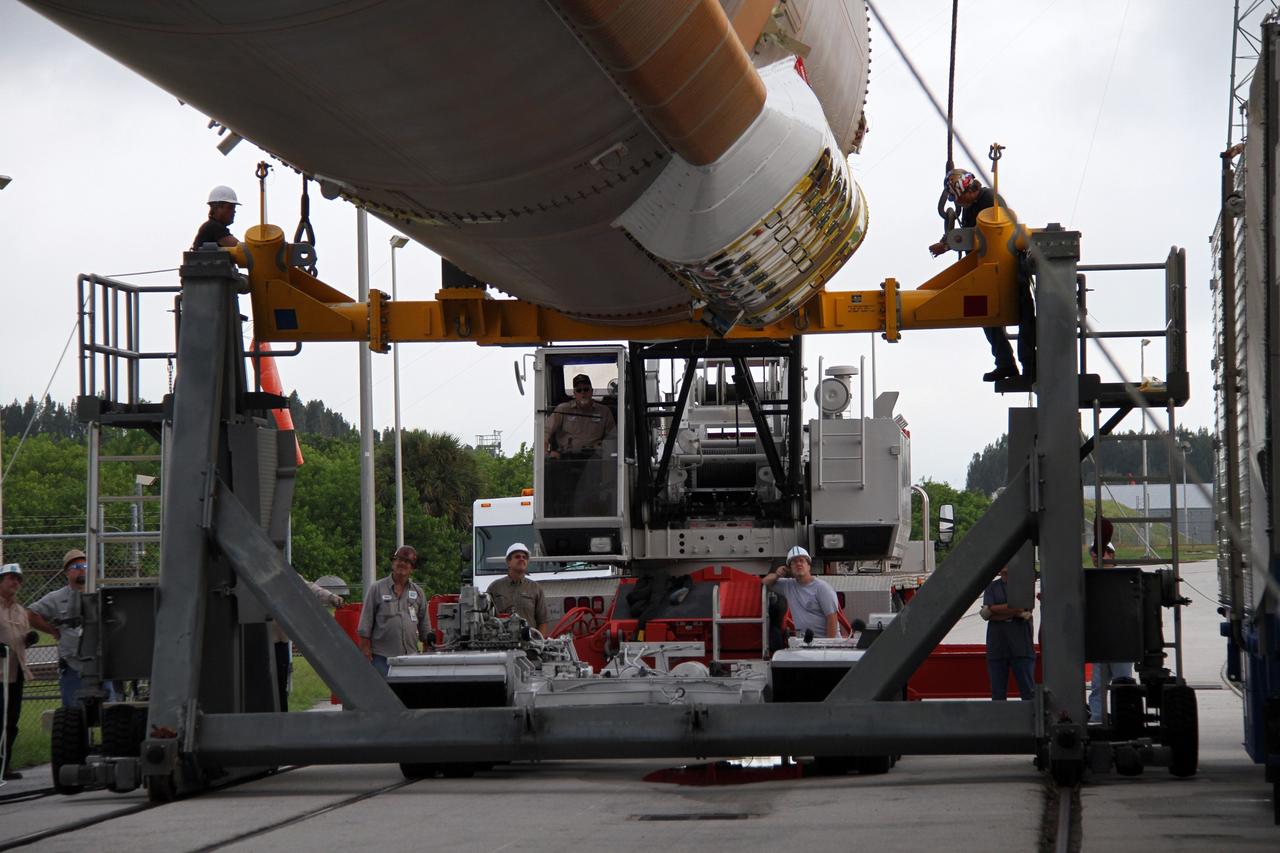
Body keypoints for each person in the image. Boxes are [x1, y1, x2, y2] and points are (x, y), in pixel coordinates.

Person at [928, 169, 1034, 382]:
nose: (958, 202)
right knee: (986, 317)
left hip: (1008, 270)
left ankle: (1031, 367)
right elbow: (967, 234)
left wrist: (949, 244)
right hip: (985, 272)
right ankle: (1005, 364)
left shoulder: (991, 202)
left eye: (959, 197)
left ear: (968, 189)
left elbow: (986, 235)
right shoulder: (970, 207)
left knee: (1025, 319)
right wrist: (947, 243)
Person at [27, 548, 109, 707]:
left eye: (85, 567)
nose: (82, 571)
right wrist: (52, 630)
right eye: (77, 568)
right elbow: (31, 614)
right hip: (72, 666)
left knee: (110, 712)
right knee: (73, 715)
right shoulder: (56, 598)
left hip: (102, 665)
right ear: (67, 573)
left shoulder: (102, 594)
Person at [357, 545, 431, 676]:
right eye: (399, 559)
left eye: (407, 562)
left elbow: (424, 624)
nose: (402, 563)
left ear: (412, 568)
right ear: (393, 562)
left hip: (411, 657)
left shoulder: (418, 592)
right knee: (383, 694)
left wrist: (427, 646)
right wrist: (365, 649)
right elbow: (365, 622)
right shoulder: (377, 588)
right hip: (381, 658)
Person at [272, 579, 344, 711]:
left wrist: (330, 597)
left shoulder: (281, 573)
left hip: (279, 642)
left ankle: (281, 718)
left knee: (280, 686)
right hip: (262, 641)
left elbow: (309, 587)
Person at [1087, 542, 1133, 722]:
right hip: (1101, 642)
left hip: (1121, 642)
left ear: (1111, 555)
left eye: (1100, 553)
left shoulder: (1122, 579)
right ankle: (1097, 718)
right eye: (1093, 553)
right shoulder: (1092, 579)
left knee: (1123, 684)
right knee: (1098, 685)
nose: (1096, 556)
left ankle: (1125, 719)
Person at [982, 565, 1036, 701]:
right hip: (997, 648)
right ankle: (999, 721)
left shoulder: (1023, 585)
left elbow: (1025, 607)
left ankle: (1031, 721)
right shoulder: (992, 587)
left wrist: (994, 610)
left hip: (1021, 648)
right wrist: (1016, 612)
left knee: (1028, 692)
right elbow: (986, 614)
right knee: (998, 694)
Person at [763, 546, 841, 640]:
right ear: (790, 568)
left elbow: (832, 618)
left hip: (824, 643)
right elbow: (765, 582)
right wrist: (777, 575)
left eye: (802, 560)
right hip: (805, 643)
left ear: (809, 566)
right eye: (794, 562)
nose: (798, 564)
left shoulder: (822, 588)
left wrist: (829, 646)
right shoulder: (788, 585)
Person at [0, 563, 33, 780]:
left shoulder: (21, 611)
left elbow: (22, 635)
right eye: (11, 578)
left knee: (11, 720)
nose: (16, 583)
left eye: (19, 579)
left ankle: (5, 765)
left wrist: (29, 639)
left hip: (16, 671)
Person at [545, 373, 615, 458]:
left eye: (586, 389)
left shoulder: (604, 411)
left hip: (595, 460)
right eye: (579, 390)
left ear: (591, 391)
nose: (583, 393)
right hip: (566, 459)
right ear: (574, 393)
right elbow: (545, 431)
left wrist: (605, 451)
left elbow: (613, 438)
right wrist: (547, 452)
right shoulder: (563, 409)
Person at [485, 543, 549, 635]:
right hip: (501, 644)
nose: (522, 559)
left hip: (529, 645)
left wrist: (539, 643)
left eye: (524, 557)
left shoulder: (536, 588)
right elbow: (486, 619)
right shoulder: (495, 588)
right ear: (508, 562)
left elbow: (543, 621)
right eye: (517, 556)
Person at [191, 185, 241, 250]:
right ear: (216, 208)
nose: (234, 211)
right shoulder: (213, 227)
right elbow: (240, 249)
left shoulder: (211, 226)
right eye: (230, 207)